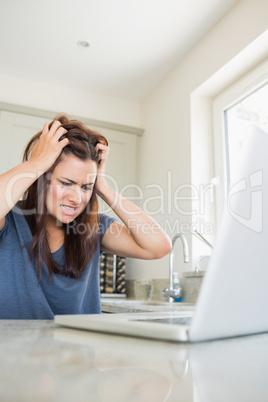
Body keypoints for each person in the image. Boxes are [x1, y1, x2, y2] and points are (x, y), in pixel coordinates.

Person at [0, 114, 171, 318]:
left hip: (78, 350)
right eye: (66, 183)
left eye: (85, 187)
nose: (77, 198)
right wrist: (37, 163)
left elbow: (159, 246)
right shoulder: (10, 218)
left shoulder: (95, 227)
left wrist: (103, 187)